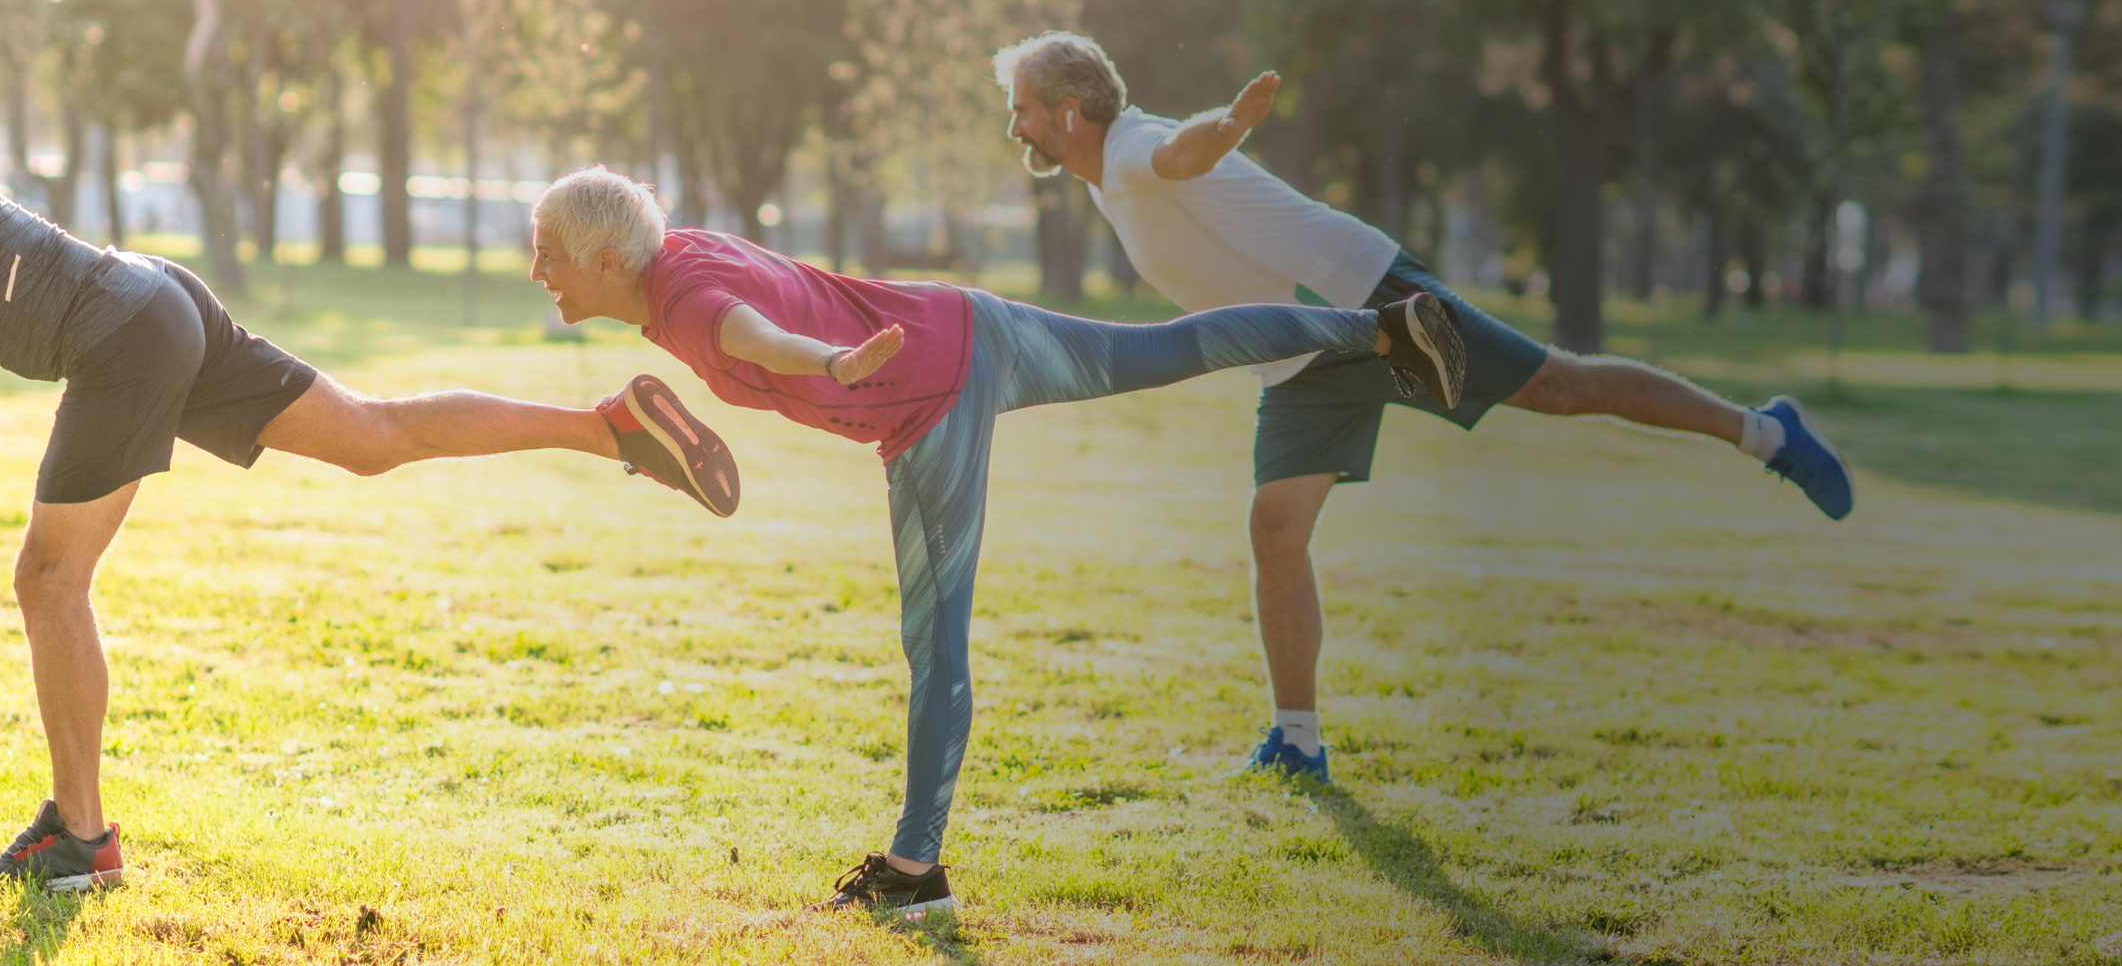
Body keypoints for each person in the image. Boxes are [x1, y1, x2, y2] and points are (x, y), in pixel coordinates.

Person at [0, 79, 742, 892]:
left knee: (47, 579)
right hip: (154, 301)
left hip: (119, 329)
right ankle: (608, 428)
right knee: (370, 437)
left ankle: (79, 838)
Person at [526, 166, 1464, 917]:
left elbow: (756, 335)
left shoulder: (685, 304)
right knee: (1167, 348)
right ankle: (1382, 333)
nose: (537, 274)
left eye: (548, 255)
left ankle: (916, 867)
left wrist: (833, 365)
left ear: (611, 260)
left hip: (928, 406)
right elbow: (748, 312)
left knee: (936, 644)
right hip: (972, 321)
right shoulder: (675, 254)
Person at [987, 33, 1857, 782]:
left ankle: (1766, 432)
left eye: (1023, 106)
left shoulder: (1135, 148)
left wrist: (1232, 123)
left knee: (1563, 387)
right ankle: (1297, 744)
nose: (1015, 124)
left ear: (1070, 109)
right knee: (1275, 528)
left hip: (1373, 306)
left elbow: (1187, 152)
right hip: (1301, 359)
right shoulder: (1104, 175)